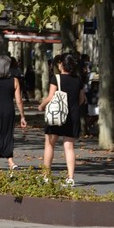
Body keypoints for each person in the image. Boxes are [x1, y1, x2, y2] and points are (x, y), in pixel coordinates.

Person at [37, 53, 86, 186]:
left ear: (62, 65)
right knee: (69, 147)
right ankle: (70, 178)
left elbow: (51, 97)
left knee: (49, 145)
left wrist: (41, 106)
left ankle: (46, 176)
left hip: (56, 115)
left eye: (59, 62)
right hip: (72, 116)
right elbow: (81, 99)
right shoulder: (78, 80)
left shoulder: (56, 78)